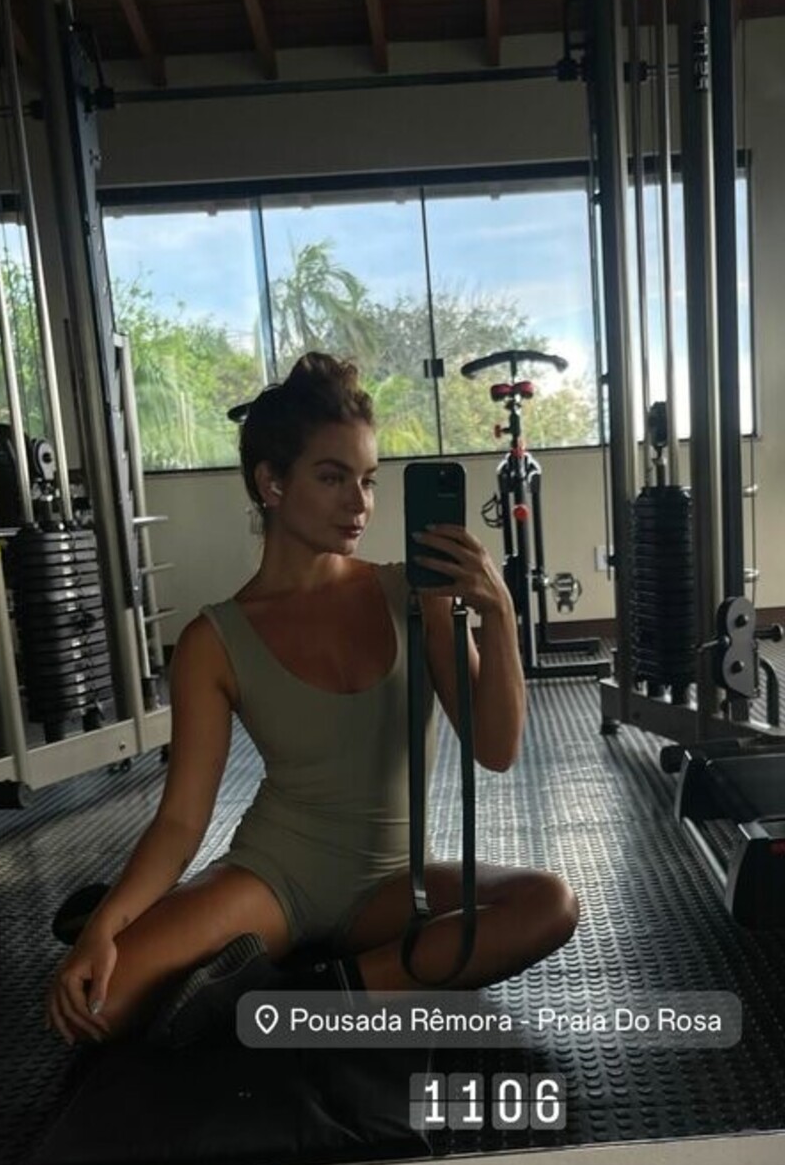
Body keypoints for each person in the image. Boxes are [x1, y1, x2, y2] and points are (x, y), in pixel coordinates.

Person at [46, 353, 580, 1047]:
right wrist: (105, 927)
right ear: (272, 483)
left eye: (368, 480)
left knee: (549, 904)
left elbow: (497, 748)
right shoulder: (214, 641)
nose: (359, 503)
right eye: (332, 478)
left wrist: (498, 612)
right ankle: (228, 953)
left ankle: (321, 998)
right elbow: (180, 821)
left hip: (394, 884)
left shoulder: (412, 593)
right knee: (95, 1008)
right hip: (274, 878)